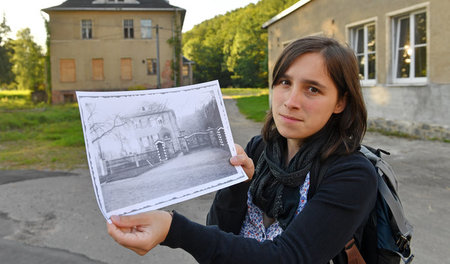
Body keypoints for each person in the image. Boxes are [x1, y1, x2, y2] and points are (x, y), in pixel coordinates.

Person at [107, 36, 378, 264]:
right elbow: (220, 233)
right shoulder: (260, 149)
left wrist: (172, 229)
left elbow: (288, 257)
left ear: (341, 102)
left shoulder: (352, 174)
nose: (291, 101)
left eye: (312, 89)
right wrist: (237, 184)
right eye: (284, 82)